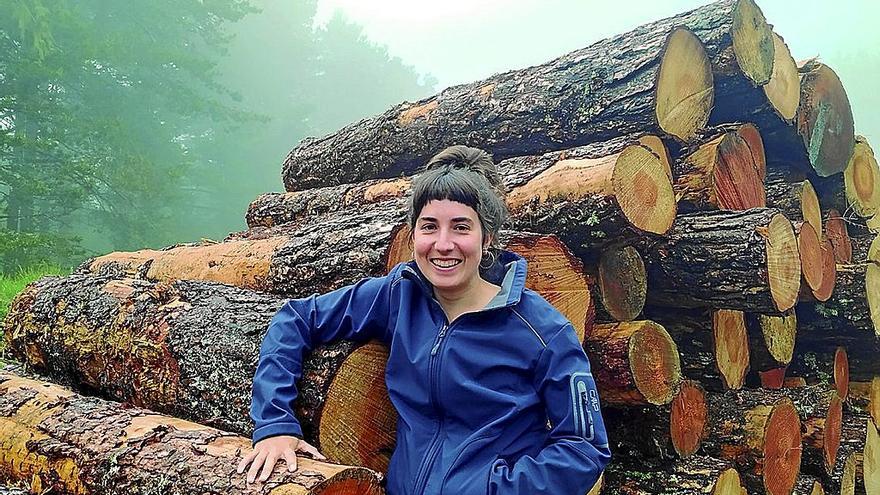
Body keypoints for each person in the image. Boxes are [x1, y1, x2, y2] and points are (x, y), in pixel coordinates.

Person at [237, 145, 611, 494]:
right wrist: (274, 426)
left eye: (461, 227)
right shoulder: (398, 295)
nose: (443, 243)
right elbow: (295, 319)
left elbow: (584, 448)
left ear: (488, 239)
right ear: (413, 232)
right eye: (429, 226)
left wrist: (495, 489)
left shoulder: (542, 330)